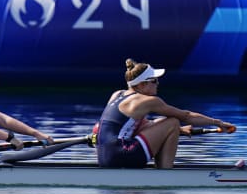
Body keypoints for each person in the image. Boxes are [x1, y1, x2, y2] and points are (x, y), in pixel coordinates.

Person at [96, 58, 236, 168]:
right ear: (141, 85)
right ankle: (165, 173)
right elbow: (186, 116)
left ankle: (160, 171)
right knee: (172, 122)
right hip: (122, 154)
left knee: (168, 124)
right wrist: (218, 123)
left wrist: (178, 130)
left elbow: (141, 126)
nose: (158, 84)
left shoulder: (117, 94)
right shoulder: (148, 101)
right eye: (154, 81)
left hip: (104, 157)